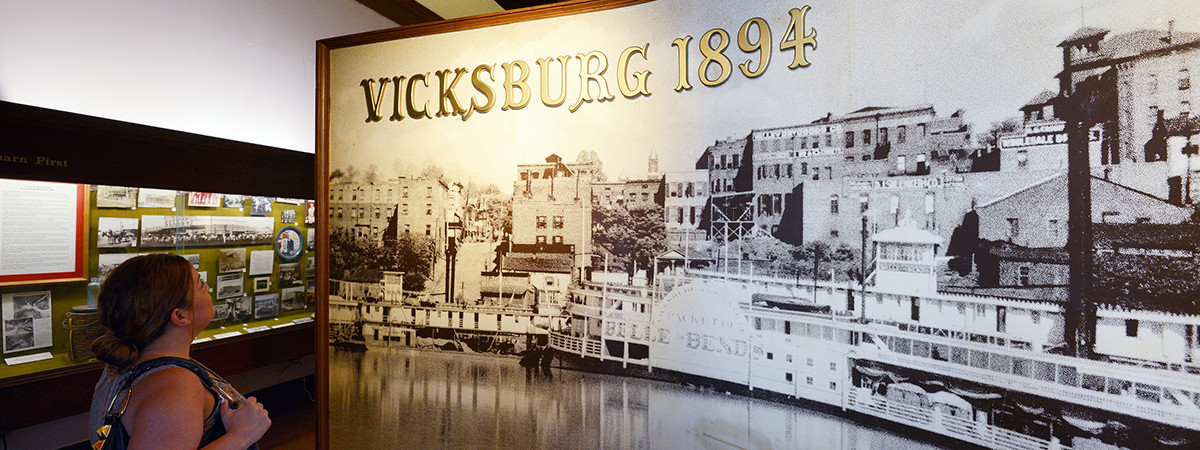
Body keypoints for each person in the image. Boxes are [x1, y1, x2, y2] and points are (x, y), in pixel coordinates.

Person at [89, 253, 271, 449]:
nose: (207, 288)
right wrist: (241, 435)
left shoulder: (121, 366)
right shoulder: (175, 387)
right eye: (200, 283)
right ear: (180, 316)